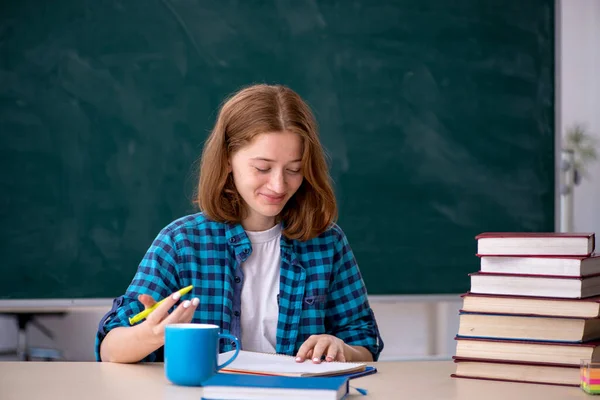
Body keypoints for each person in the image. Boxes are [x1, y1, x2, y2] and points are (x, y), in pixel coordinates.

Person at [95, 84, 383, 364]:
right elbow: (110, 348)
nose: (279, 184)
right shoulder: (181, 242)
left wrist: (340, 347)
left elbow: (365, 343)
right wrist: (149, 334)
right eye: (262, 168)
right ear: (228, 159)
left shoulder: (327, 242)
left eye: (294, 169)